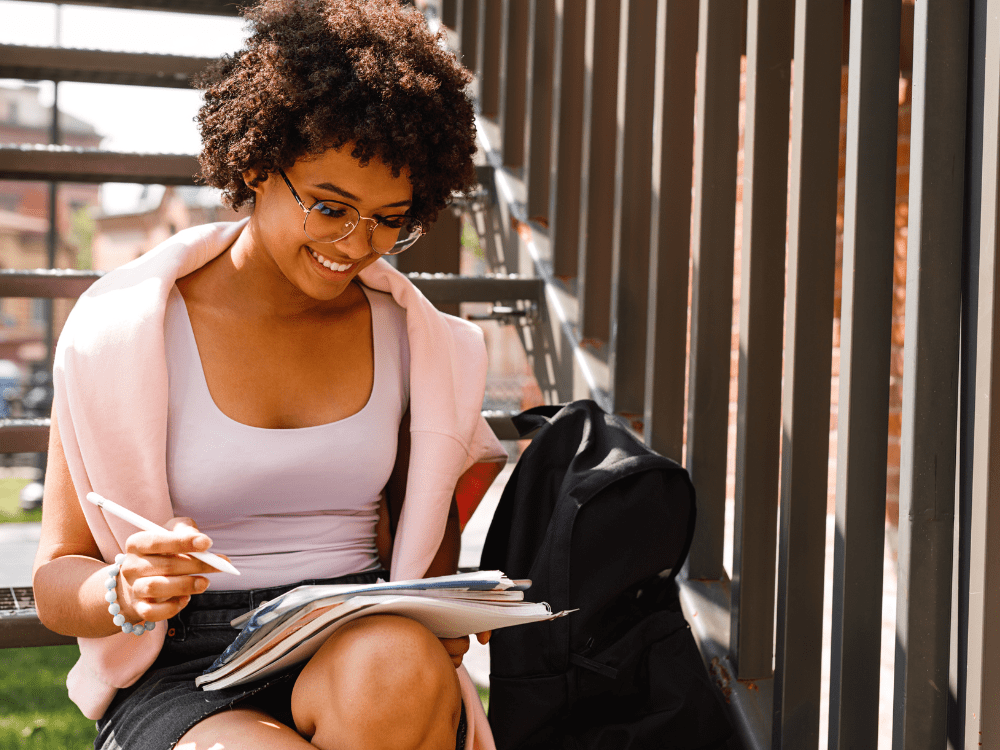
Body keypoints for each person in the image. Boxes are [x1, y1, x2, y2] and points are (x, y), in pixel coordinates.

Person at [31, 1, 507, 748]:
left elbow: (425, 518)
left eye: (390, 220)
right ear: (257, 163)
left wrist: (439, 617)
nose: (357, 245)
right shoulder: (121, 332)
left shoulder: (416, 340)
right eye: (330, 207)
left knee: (400, 660)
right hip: (182, 665)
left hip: (353, 634)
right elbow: (58, 579)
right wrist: (123, 587)